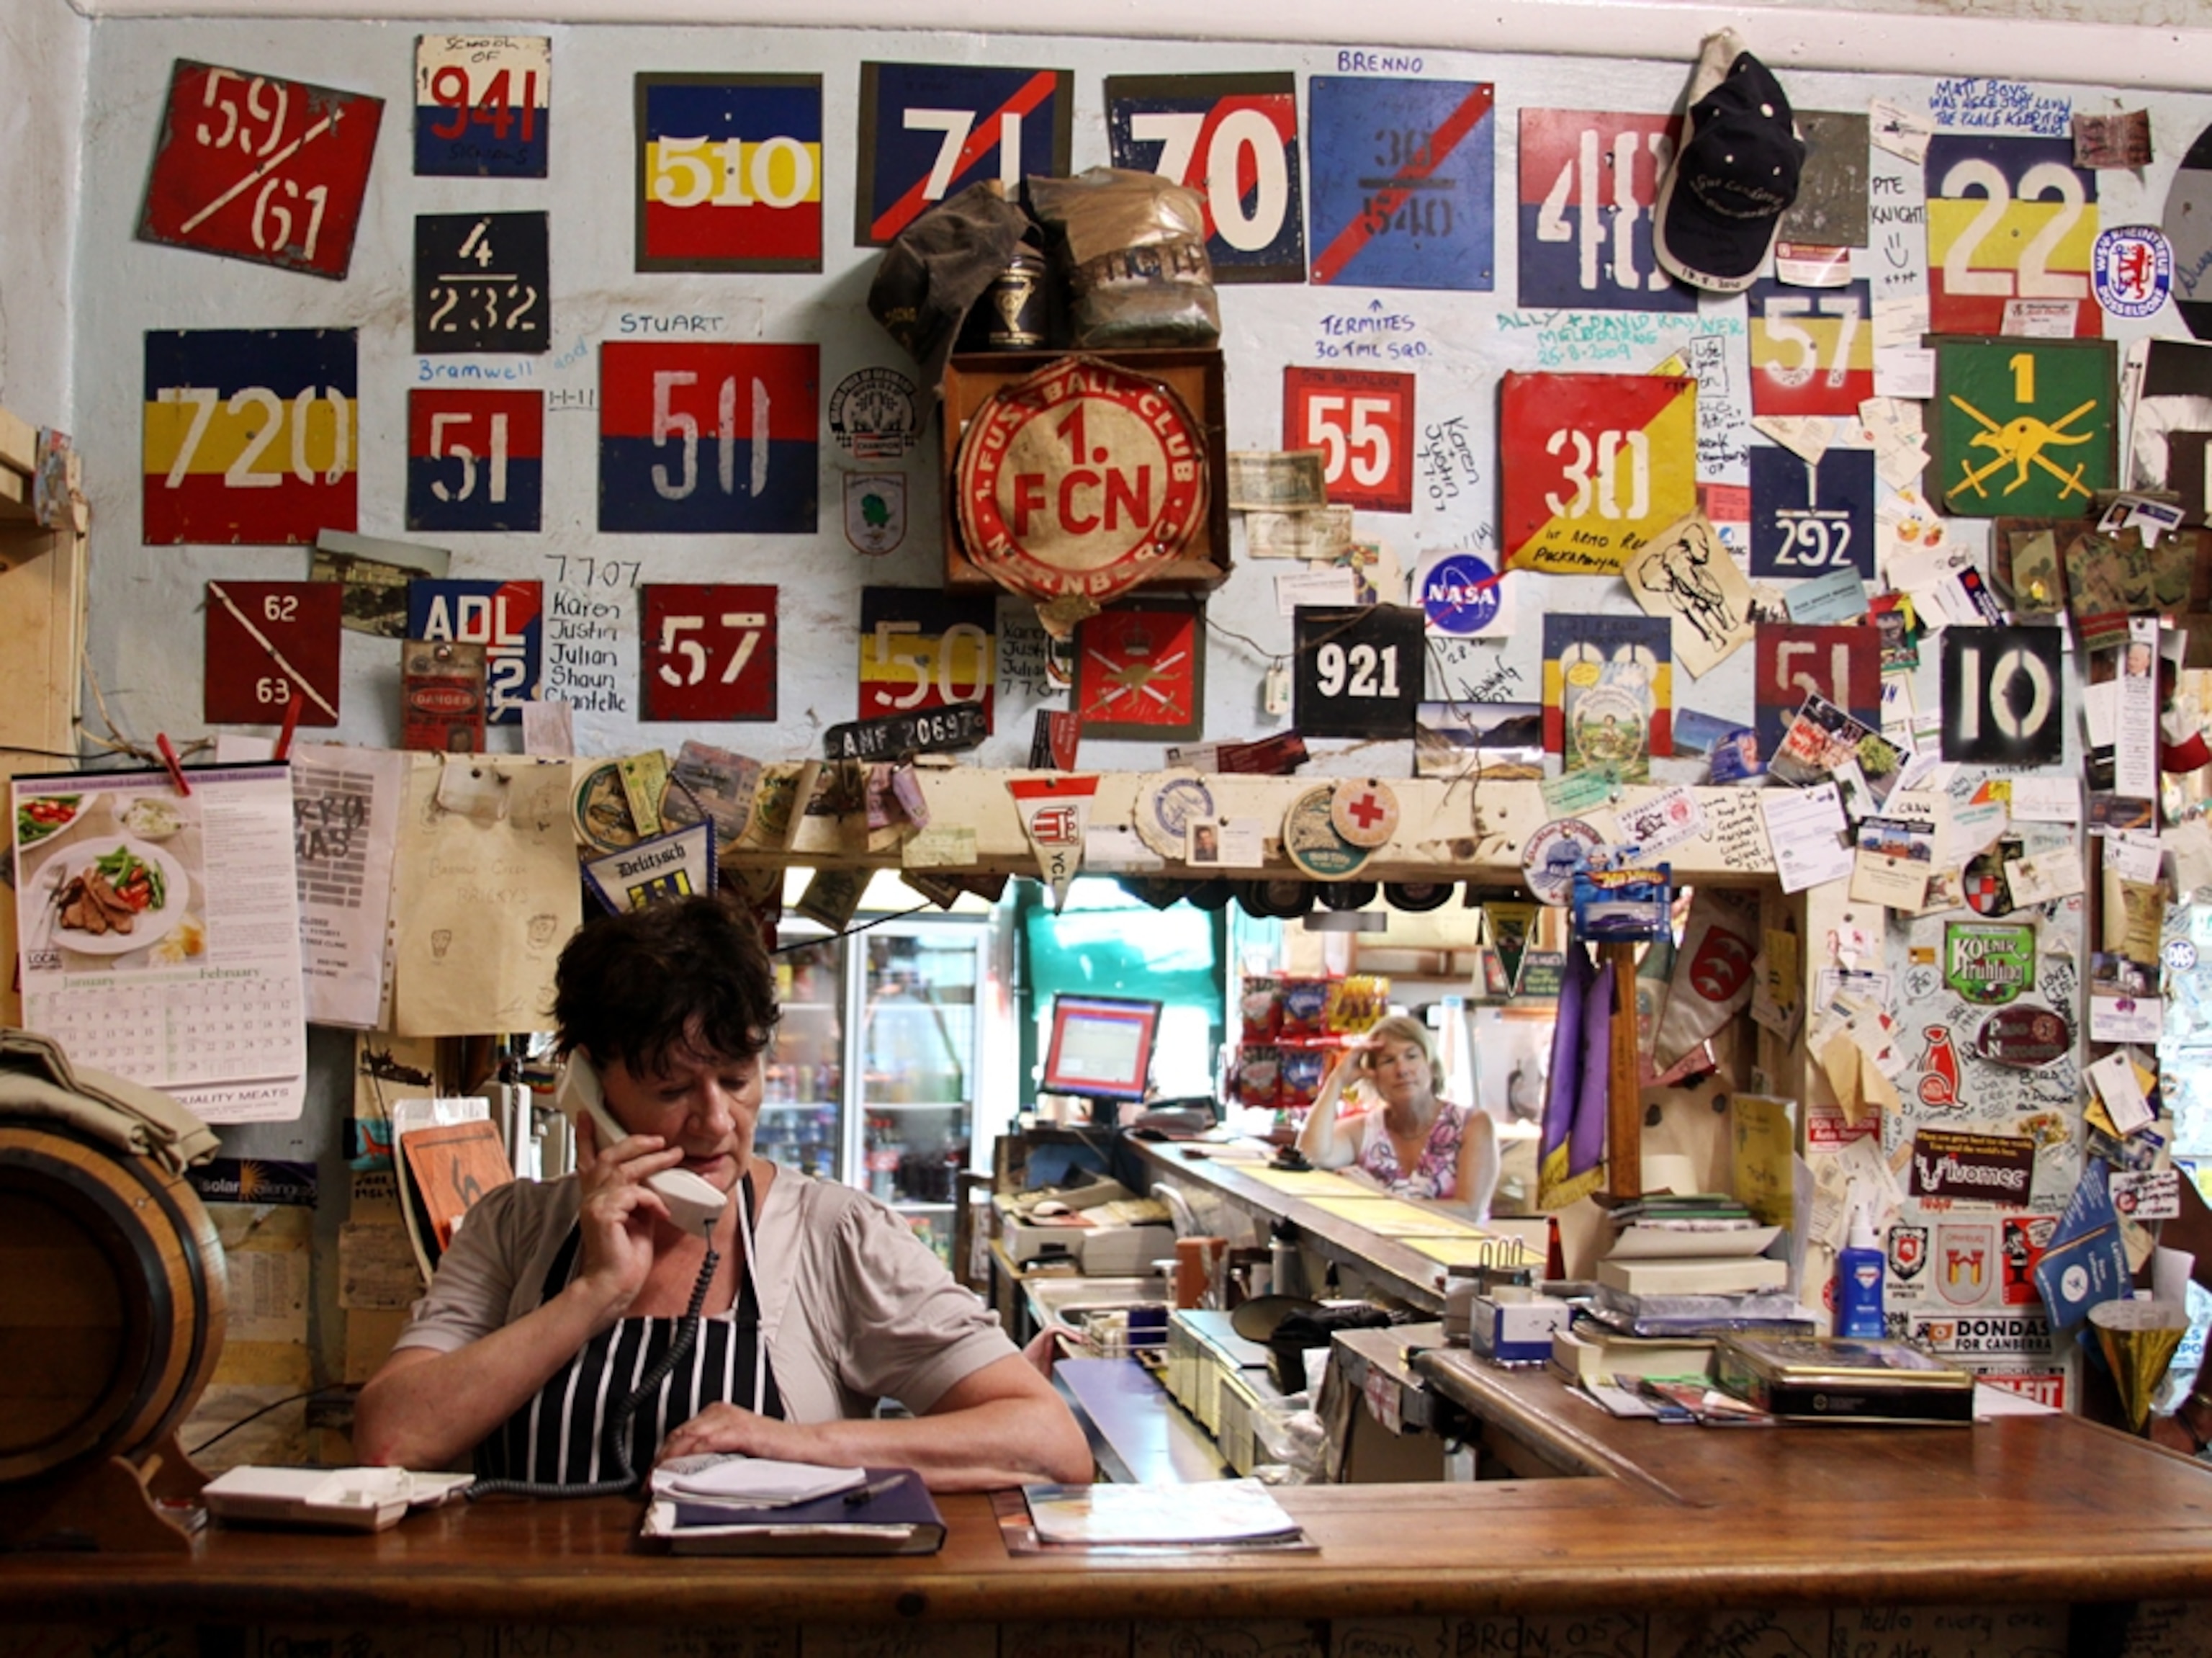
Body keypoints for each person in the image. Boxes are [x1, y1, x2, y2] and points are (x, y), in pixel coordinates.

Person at [354, 895, 1091, 1492]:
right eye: (672, 1088)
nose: (715, 1121)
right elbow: (391, 1438)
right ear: (588, 1088)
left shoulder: (837, 1236)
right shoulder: (512, 1229)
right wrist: (595, 1294)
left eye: (737, 1080)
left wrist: (800, 1445)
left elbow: (1048, 1441)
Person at [1293, 1014, 1498, 1218]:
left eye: (1411, 1056)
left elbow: (1469, 1210)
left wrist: (1383, 1200)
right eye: (1389, 1061)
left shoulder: (1472, 1125)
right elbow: (1310, 1155)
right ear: (1374, 1077)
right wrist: (1336, 1081)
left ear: (1432, 1066)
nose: (1402, 1070)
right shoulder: (1363, 1131)